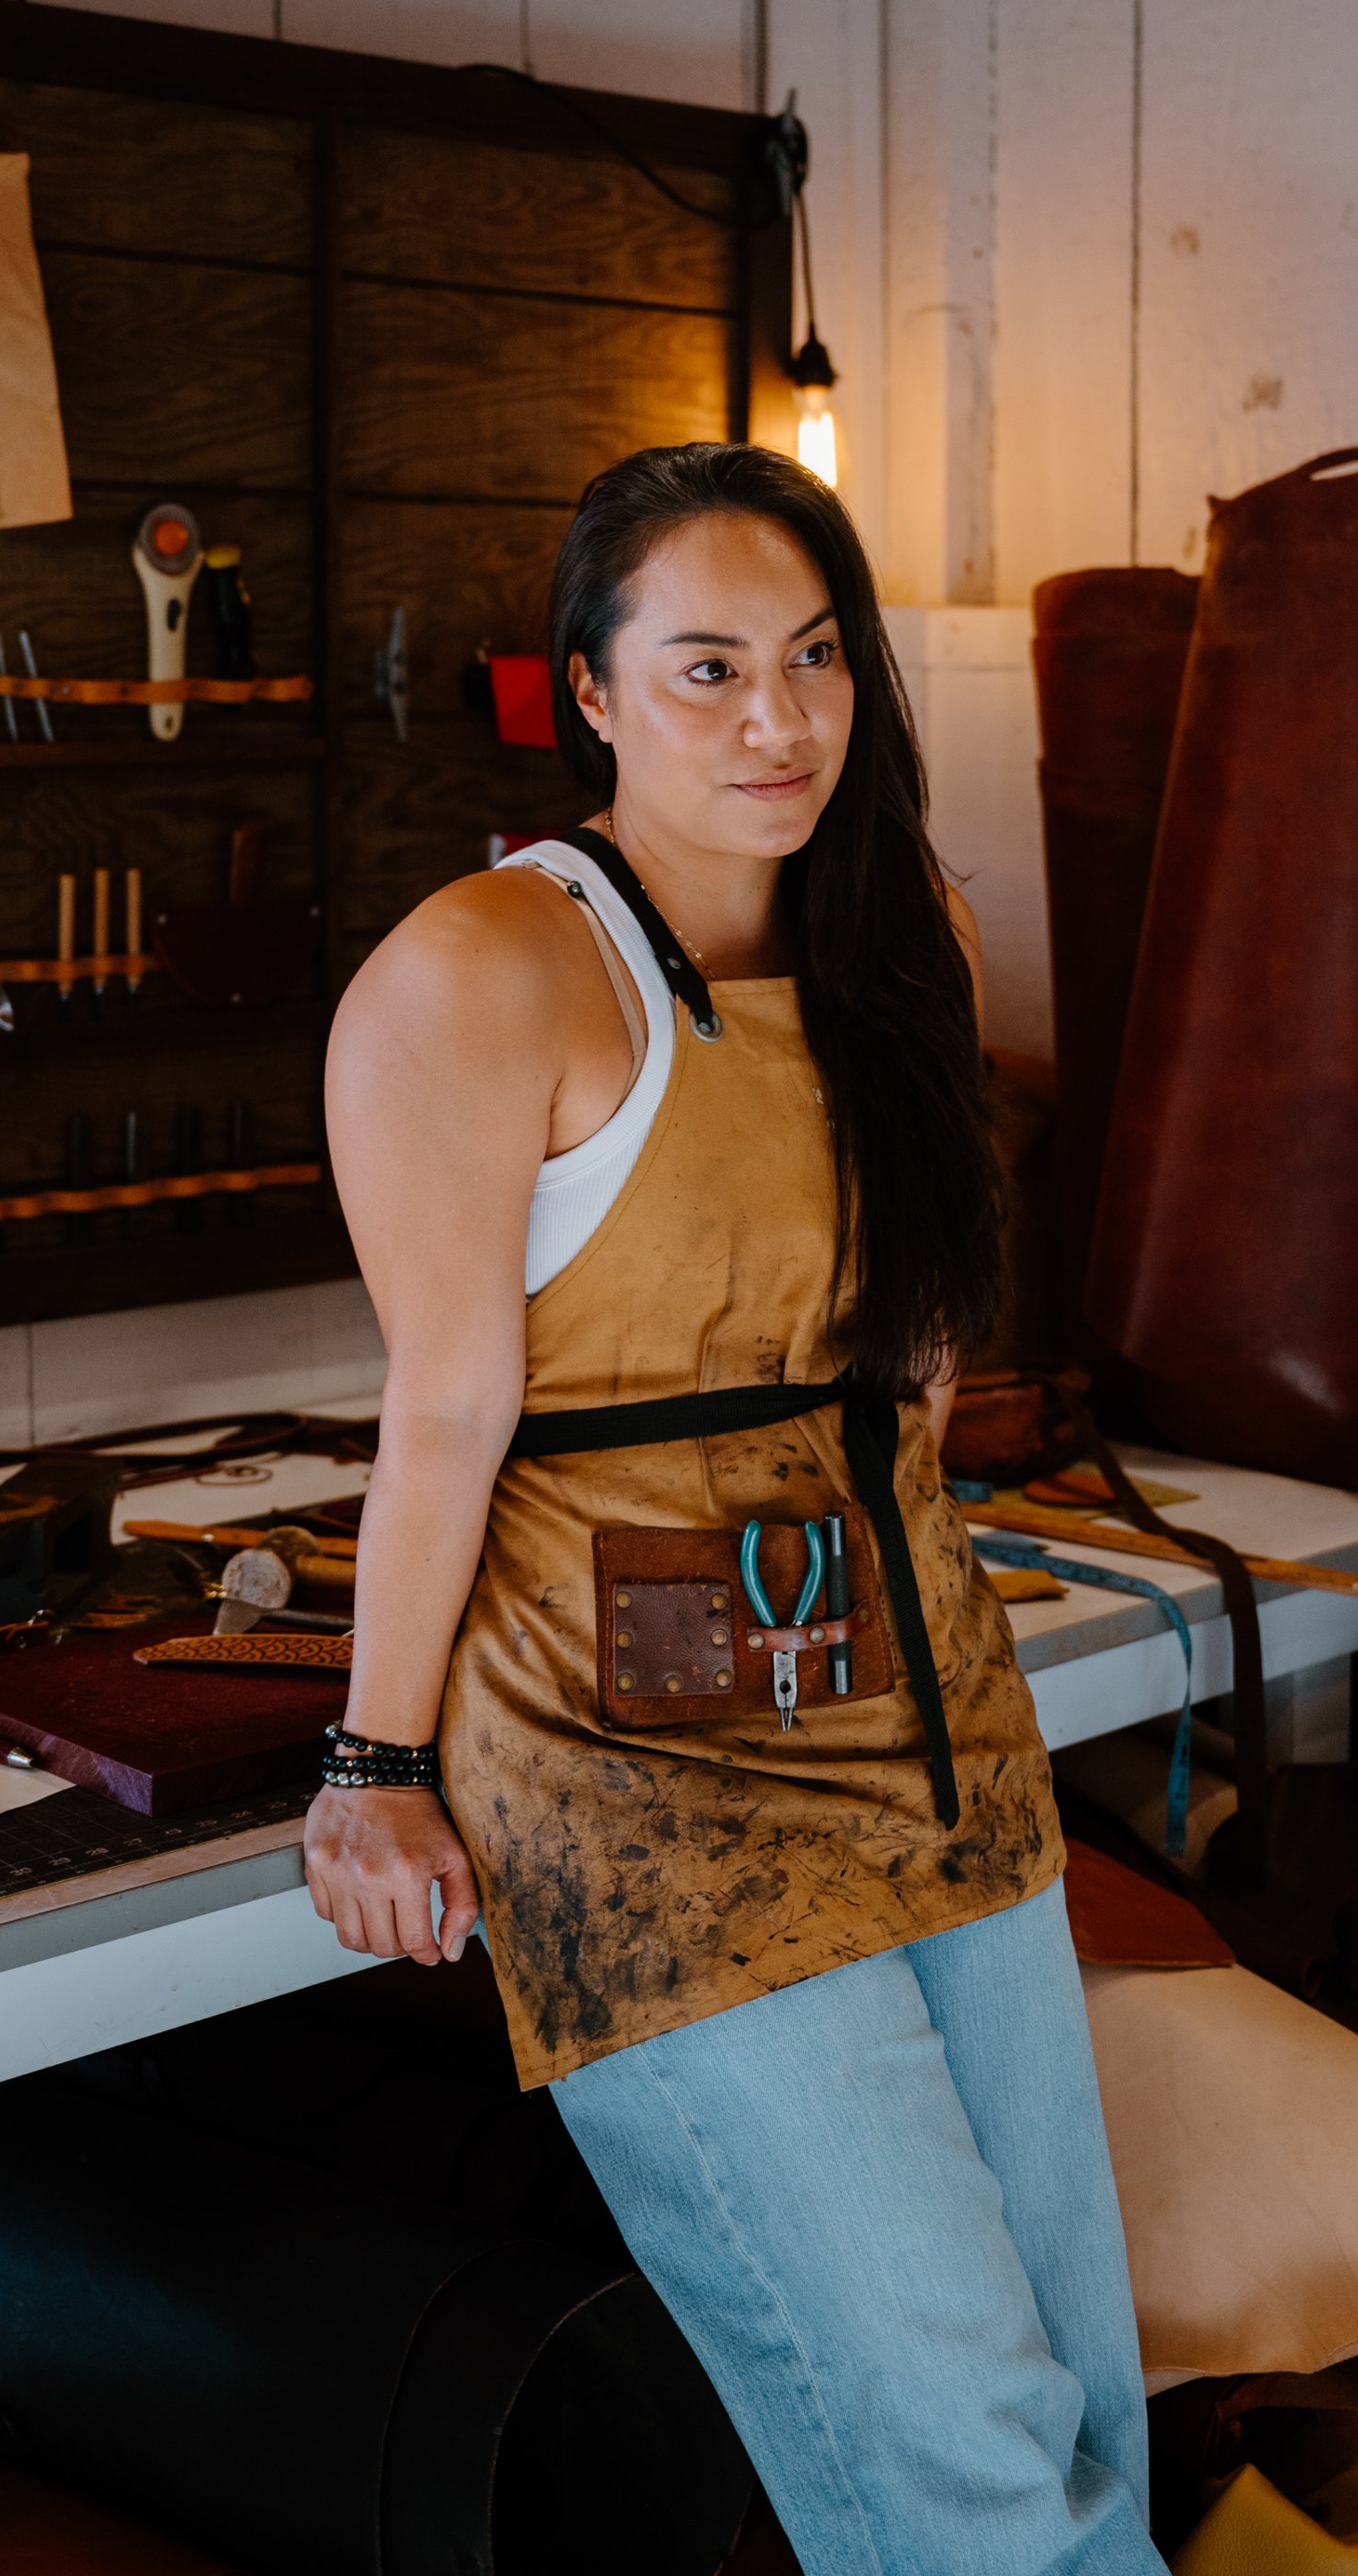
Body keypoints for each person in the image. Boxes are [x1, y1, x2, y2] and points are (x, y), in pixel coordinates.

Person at [308, 442, 1158, 2576]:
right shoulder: (483, 973)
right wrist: (376, 1766)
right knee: (958, 2451)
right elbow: (445, 1400)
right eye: (705, 672)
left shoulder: (902, 942)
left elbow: (923, 1355)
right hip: (638, 1772)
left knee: (1077, 2396)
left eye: (812, 662)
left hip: (928, 1718)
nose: (775, 721)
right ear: (590, 694)